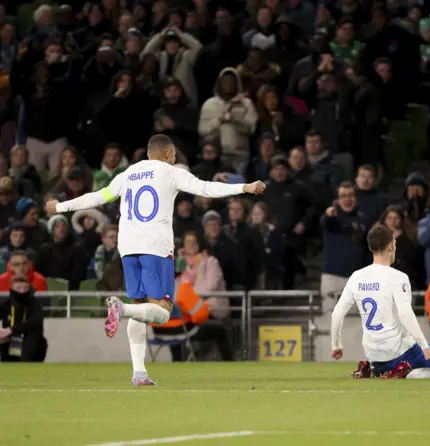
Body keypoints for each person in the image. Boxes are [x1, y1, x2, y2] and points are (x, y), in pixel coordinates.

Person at [45, 134, 266, 385]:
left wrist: (61, 207)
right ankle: (121, 309)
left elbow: (97, 197)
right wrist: (244, 187)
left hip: (127, 248)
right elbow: (206, 188)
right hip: (155, 246)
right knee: (162, 311)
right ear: (169, 154)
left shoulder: (126, 174)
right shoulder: (171, 171)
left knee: (141, 306)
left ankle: (139, 373)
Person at [330, 224, 430, 380]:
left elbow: (337, 314)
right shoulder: (398, 277)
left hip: (374, 356)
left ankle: (378, 370)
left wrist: (336, 346)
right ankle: (409, 373)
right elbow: (405, 313)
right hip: (402, 353)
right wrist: (424, 346)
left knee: (397, 358)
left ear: (370, 247)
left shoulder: (356, 277)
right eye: (394, 244)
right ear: (390, 246)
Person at [0, 276, 48, 362]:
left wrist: (11, 329)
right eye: (18, 288)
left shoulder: (35, 305)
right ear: (12, 289)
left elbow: (35, 322)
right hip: (11, 341)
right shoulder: (6, 304)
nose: (22, 291)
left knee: (32, 341)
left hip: (32, 341)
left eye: (25, 288)